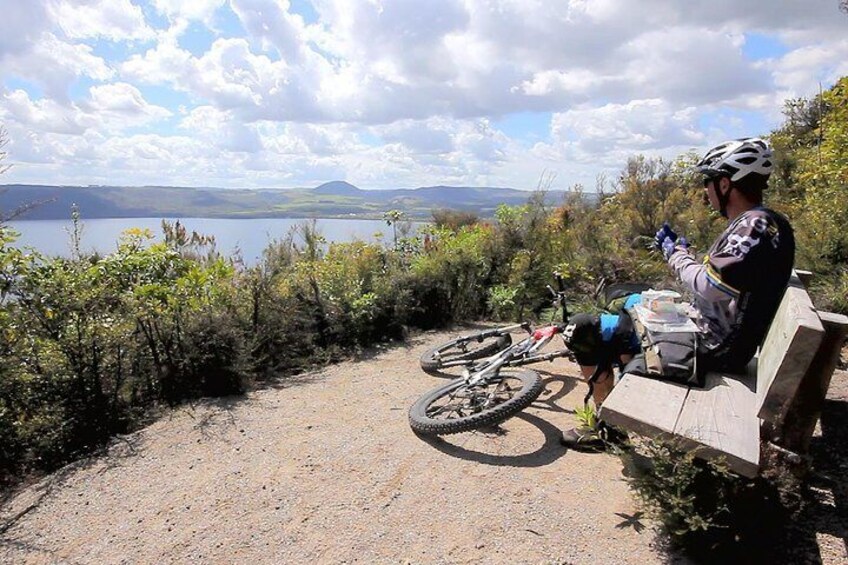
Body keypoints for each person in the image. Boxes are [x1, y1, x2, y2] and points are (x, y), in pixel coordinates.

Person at [560, 137, 796, 451]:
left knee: (583, 328)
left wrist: (675, 254)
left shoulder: (752, 227)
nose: (705, 190)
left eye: (709, 181)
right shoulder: (762, 224)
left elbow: (713, 288)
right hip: (715, 336)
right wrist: (684, 254)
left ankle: (609, 430)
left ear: (725, 184)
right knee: (618, 318)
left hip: (713, 346)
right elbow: (724, 282)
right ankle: (609, 422)